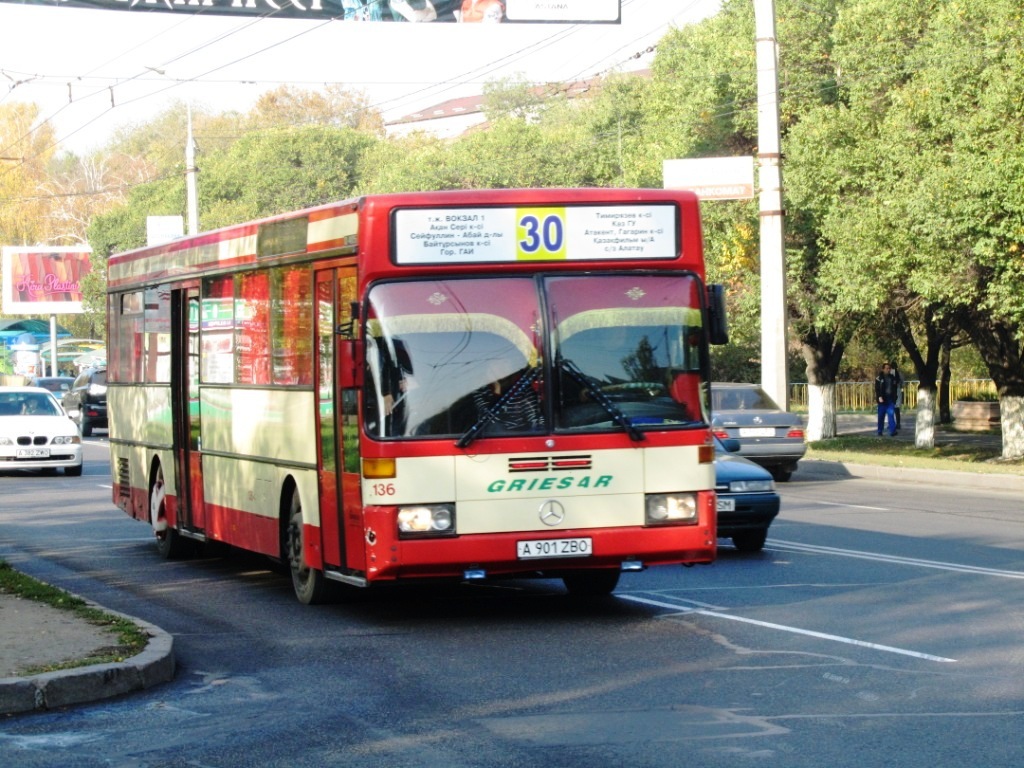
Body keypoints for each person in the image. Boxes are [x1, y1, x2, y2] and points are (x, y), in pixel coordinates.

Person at [874, 362, 899, 436]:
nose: (888, 370)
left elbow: (897, 382)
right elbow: (877, 389)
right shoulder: (879, 378)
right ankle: (879, 431)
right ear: (883, 369)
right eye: (886, 368)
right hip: (882, 399)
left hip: (890, 399)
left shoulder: (892, 377)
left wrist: (896, 370)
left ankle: (893, 431)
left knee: (891, 415)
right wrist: (879, 397)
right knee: (881, 416)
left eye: (889, 368)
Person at [892, 364, 904, 434]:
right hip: (898, 390)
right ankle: (898, 423)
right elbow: (903, 383)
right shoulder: (900, 374)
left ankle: (892, 424)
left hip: (891, 391)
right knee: (897, 408)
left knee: (891, 408)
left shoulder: (889, 373)